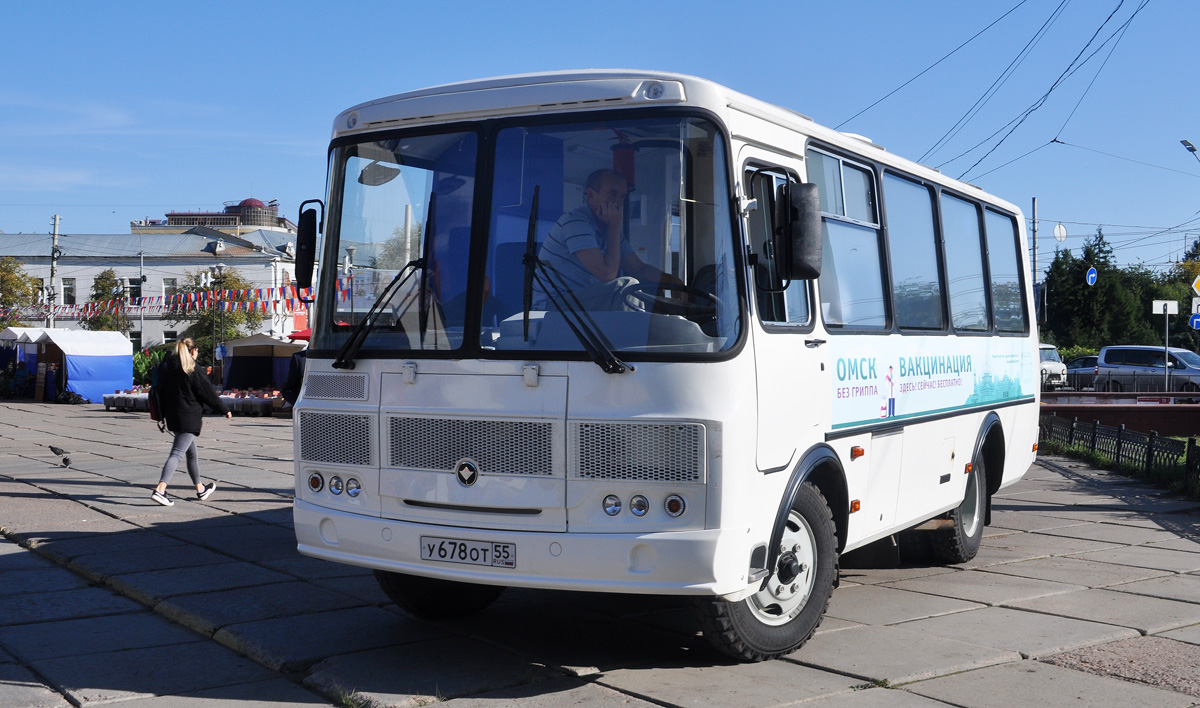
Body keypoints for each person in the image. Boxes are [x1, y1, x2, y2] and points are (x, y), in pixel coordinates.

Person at [535, 169, 683, 310]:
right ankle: (636, 336)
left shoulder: (608, 228)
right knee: (624, 287)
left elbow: (638, 268)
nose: (618, 201)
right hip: (553, 306)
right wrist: (614, 226)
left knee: (651, 289)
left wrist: (672, 281)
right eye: (612, 194)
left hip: (581, 303)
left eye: (622, 196)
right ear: (591, 195)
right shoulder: (575, 222)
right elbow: (607, 275)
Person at [151, 337, 232, 507]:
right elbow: (207, 392)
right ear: (194, 351)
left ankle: (200, 488)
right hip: (188, 416)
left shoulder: (168, 368)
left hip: (173, 415)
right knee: (177, 454)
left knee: (191, 453)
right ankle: (160, 489)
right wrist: (224, 409)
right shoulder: (192, 369)